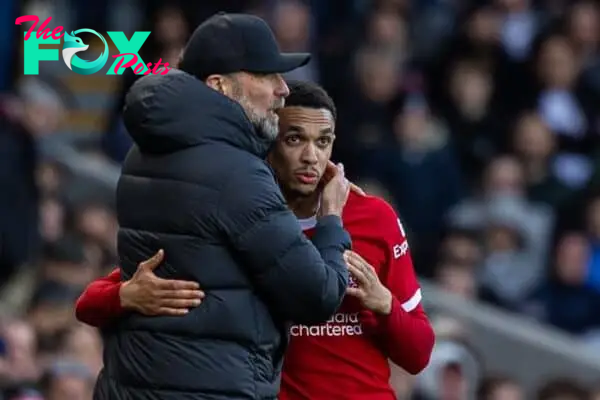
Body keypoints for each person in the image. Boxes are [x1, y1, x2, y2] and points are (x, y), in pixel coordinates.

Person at [77, 81, 435, 399]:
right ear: (269, 144)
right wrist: (125, 296)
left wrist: (385, 304)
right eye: (295, 139)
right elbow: (89, 303)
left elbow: (419, 354)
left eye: (322, 142)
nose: (311, 156)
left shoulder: (375, 218)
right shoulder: (240, 213)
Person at [97, 13, 354, 400]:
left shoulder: (143, 150)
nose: (283, 89)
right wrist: (331, 218)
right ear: (219, 85)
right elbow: (316, 294)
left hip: (134, 383)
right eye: (266, 76)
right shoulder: (235, 173)